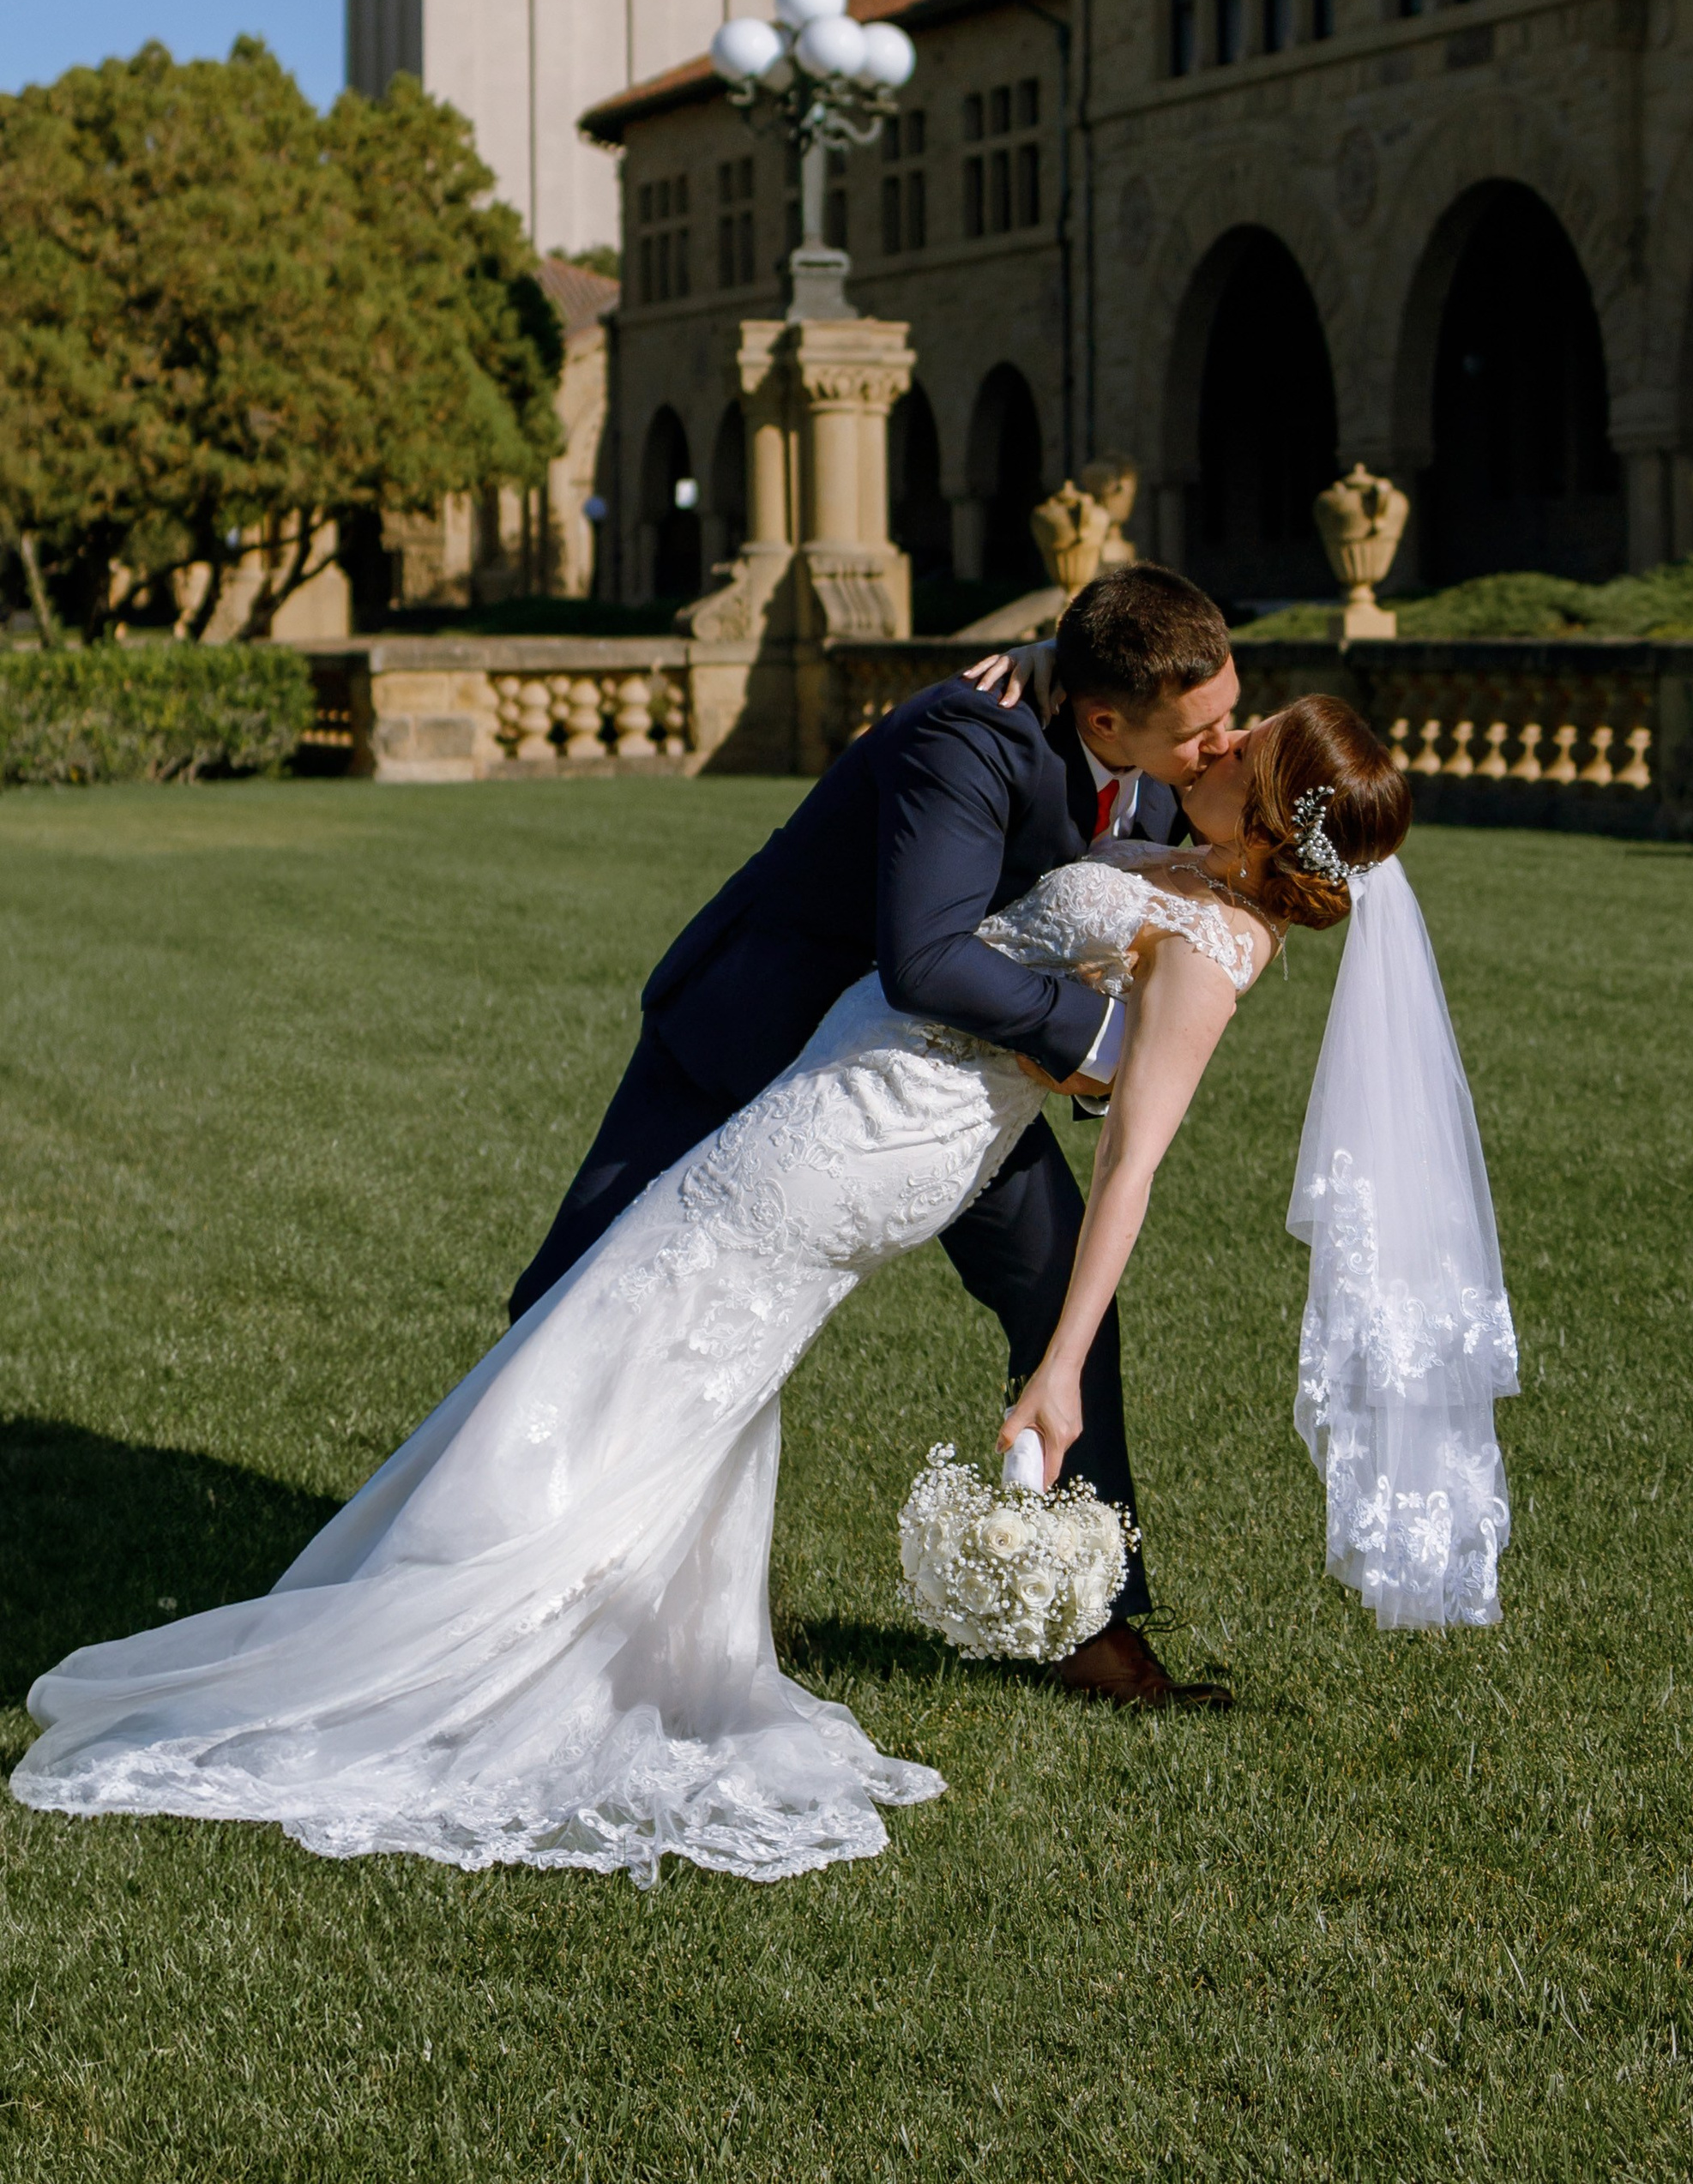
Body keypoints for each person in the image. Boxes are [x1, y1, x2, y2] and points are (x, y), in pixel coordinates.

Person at [12, 700, 1419, 1890]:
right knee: (661, 1338)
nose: (1222, 736)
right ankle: (589, 1620)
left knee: (647, 1312)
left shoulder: (1222, 953)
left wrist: (1055, 1367)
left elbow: (1130, 1174)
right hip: (849, 1094)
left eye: (1247, 736)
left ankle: (474, 1619)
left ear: (1268, 805)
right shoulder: (1178, 855)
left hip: (875, 1144)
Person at [511, 560, 1241, 1706]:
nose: (1222, 746)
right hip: (760, 1026)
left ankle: (1091, 1621)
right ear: (1105, 715)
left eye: (1227, 718)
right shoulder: (968, 732)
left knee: (1065, 1306)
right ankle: (508, 1566)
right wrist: (1105, 1045)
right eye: (1202, 729)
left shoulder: (1149, 769)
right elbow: (931, 956)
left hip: (942, 1090)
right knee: (577, 1288)